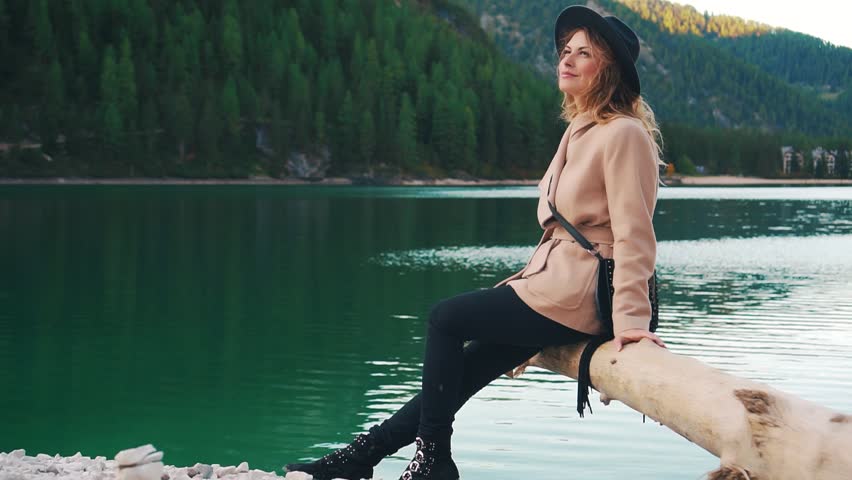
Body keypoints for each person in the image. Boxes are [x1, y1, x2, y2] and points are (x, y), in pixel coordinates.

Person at [285, 5, 667, 480]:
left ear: (608, 70)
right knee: (463, 370)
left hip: (580, 294)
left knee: (447, 318)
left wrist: (632, 320)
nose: (566, 60)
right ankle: (365, 454)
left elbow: (635, 234)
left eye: (583, 53)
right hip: (552, 284)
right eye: (565, 51)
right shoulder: (580, 129)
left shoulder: (624, 134)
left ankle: (432, 461)